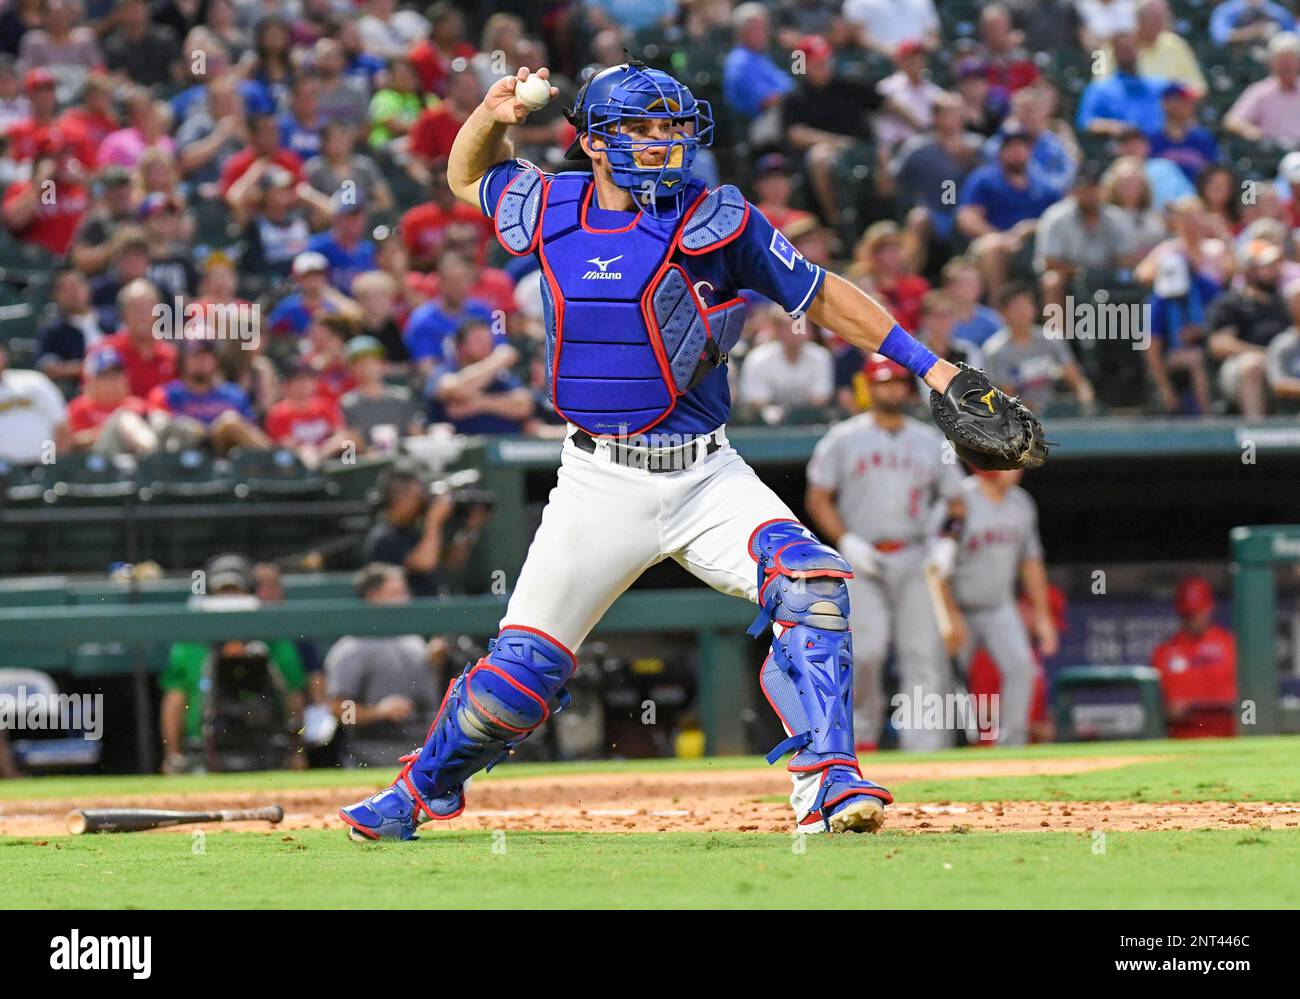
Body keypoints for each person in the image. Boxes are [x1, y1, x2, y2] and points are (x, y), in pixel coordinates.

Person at [339, 60, 1043, 841]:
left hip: (705, 472)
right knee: (518, 678)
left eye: (672, 126)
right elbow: (465, 176)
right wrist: (494, 112)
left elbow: (821, 290)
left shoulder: (719, 219)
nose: (663, 142)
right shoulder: (550, 202)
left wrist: (934, 368)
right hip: (596, 479)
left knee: (810, 585)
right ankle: (417, 790)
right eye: (641, 128)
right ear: (596, 143)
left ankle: (828, 778)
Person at [805, 354, 966, 752]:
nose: (890, 389)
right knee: (866, 651)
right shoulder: (843, 437)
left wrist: (948, 541)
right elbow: (818, 497)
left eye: (896, 382)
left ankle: (926, 749)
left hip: (915, 557)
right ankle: (859, 741)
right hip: (863, 556)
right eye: (881, 382)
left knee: (924, 654)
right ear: (867, 387)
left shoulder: (929, 440)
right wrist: (845, 540)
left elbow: (958, 504)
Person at [159, 553, 306, 774]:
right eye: (223, 591)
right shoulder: (191, 643)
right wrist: (172, 754)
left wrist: (298, 751)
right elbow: (175, 701)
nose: (229, 598)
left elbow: (293, 699)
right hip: (205, 748)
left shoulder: (274, 640)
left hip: (265, 746)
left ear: (248, 590)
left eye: (235, 590)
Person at [949, 468, 1056, 746]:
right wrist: (948, 614)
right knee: (944, 680)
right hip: (958, 606)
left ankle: (1012, 746)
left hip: (999, 606)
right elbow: (938, 562)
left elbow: (1030, 562)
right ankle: (943, 748)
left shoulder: (1021, 503)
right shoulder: (959, 498)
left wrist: (1043, 617)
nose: (1018, 467)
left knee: (1022, 668)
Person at [325, 563, 445, 768]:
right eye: (396, 593)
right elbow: (338, 710)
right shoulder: (352, 647)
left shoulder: (415, 640)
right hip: (374, 751)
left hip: (425, 746)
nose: (406, 599)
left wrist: (438, 663)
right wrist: (379, 711)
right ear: (373, 596)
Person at [1206, 240, 1291, 416]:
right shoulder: (1231, 303)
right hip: (1242, 370)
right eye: (1267, 266)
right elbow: (1219, 345)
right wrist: (1264, 354)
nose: (1275, 270)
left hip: (1282, 364)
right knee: (1252, 365)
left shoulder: (1284, 304)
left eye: (1276, 265)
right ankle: (1254, 433)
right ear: (1248, 271)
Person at [983, 283, 1096, 414]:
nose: (1024, 312)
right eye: (1017, 307)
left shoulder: (1052, 339)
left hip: (1054, 411)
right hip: (1016, 419)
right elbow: (1005, 397)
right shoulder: (994, 350)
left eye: (1027, 305)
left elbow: (1078, 381)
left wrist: (1087, 406)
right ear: (1003, 313)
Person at [1150, 576, 1238, 738]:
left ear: (1210, 607)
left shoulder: (1231, 645)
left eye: (1198, 611)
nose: (1194, 619)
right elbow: (1153, 709)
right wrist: (1166, 711)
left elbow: (1253, 699)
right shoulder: (1164, 653)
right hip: (1184, 741)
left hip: (1229, 738)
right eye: (1188, 614)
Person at [424, 317, 533, 434]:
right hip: (462, 442)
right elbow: (454, 389)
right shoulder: (446, 369)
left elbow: (523, 405)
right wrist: (496, 361)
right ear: (460, 345)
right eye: (479, 341)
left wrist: (480, 403)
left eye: (488, 341)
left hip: (505, 442)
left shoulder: (500, 375)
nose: (486, 346)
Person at [735, 305, 834, 416]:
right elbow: (756, 400)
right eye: (788, 327)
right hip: (765, 425)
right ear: (777, 330)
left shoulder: (820, 356)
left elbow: (820, 398)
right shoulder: (758, 358)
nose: (796, 332)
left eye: (801, 326)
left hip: (809, 422)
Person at [65, 346, 156, 456]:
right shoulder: (79, 407)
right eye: (106, 377)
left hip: (131, 458)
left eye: (117, 375)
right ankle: (152, 453)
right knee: (123, 417)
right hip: (97, 460)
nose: (113, 382)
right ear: (91, 380)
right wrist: (110, 429)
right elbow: (71, 442)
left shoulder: (136, 404)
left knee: (160, 418)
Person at [1223, 31, 1300, 148]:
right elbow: (1232, 121)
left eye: (1290, 59)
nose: (1286, 64)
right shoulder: (1260, 91)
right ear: (1271, 63)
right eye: (1281, 59)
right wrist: (1253, 132)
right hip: (1274, 154)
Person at [0, 341, 67, 465]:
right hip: (3, 473)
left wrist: (52, 464)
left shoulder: (34, 381)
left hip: (43, 467)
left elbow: (60, 425)